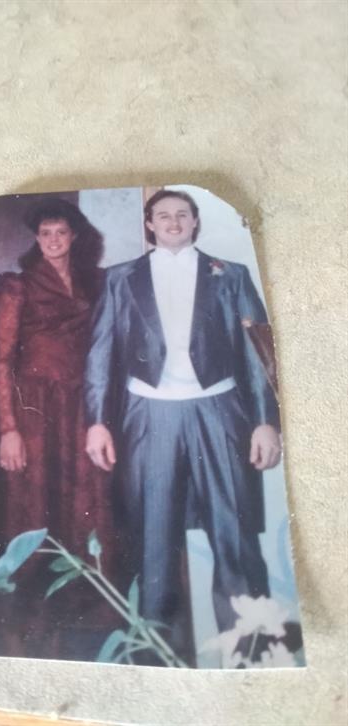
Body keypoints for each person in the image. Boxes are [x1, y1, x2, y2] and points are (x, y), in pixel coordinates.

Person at [84, 189, 281, 660]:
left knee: (235, 539)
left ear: (195, 222)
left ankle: (252, 658)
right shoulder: (119, 279)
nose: (173, 222)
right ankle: (158, 663)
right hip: (149, 416)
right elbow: (99, 355)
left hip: (219, 412)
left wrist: (265, 422)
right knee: (152, 544)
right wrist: (97, 422)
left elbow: (258, 355)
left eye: (182, 215)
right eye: (163, 215)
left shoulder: (231, 275)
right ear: (149, 224)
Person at [0, 198, 121, 659]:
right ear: (37, 238)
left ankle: (61, 621)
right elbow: (1, 361)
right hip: (30, 410)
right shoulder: (17, 285)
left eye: (61, 233)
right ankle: (18, 623)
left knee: (77, 514)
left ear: (74, 237)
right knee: (28, 513)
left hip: (76, 410)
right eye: (46, 233)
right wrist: (8, 429)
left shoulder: (93, 282)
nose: (53, 240)